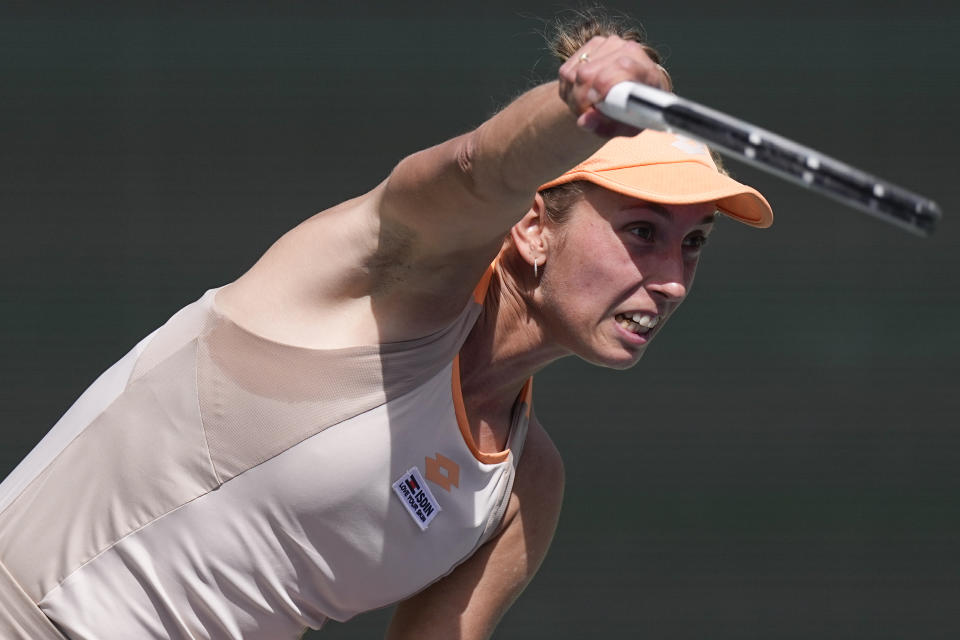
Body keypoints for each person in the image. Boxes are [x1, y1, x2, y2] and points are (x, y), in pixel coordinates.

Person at [0, 10, 772, 640]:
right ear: (534, 227)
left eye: (693, 243)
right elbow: (479, 168)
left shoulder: (523, 491)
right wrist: (586, 104)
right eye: (642, 232)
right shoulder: (384, 282)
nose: (671, 279)